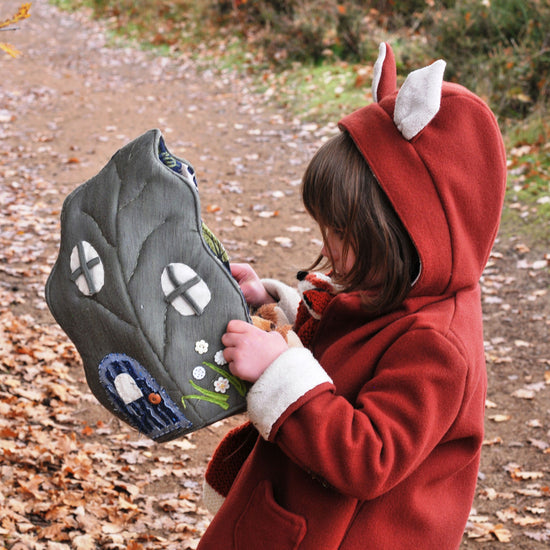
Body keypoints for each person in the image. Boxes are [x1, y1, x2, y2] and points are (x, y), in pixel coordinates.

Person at [197, 42, 507, 550]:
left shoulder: (439, 346)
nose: (325, 246)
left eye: (339, 231)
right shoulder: (403, 290)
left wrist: (278, 371)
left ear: (404, 231)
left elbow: (369, 457)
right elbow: (352, 348)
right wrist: (273, 315)